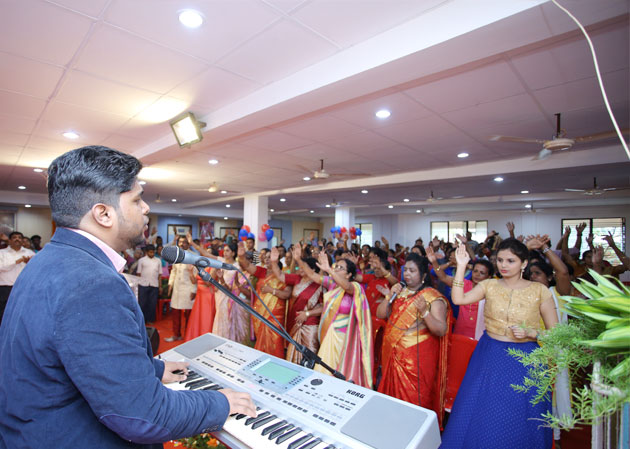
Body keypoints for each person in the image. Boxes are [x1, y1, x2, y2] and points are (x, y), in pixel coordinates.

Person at [0, 145, 255, 449]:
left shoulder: (49, 259)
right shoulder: (91, 283)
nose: (146, 208)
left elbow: (74, 357)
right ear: (103, 214)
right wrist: (219, 403)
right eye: (136, 199)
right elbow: (143, 416)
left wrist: (155, 370)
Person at [441, 238, 558, 448]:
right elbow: (458, 300)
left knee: (518, 414)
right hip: (490, 354)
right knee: (483, 409)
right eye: (501, 260)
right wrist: (460, 266)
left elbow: (558, 334)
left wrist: (531, 332)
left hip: (526, 359)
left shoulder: (540, 291)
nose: (504, 265)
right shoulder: (489, 285)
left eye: (511, 261)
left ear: (524, 264)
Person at [376, 253, 450, 426]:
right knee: (391, 403)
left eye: (412, 271)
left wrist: (424, 312)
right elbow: (380, 314)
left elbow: (440, 330)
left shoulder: (432, 297)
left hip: (415, 361)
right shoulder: (399, 292)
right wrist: (389, 296)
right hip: (394, 354)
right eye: (405, 270)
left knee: (413, 402)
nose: (407, 274)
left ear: (423, 275)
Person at [294, 244, 373, 388]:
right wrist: (298, 259)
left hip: (345, 340)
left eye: (340, 268)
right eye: (335, 266)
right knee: (324, 372)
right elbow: (312, 275)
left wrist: (329, 269)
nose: (336, 269)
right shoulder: (332, 284)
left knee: (341, 374)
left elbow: (347, 287)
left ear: (349, 275)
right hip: (329, 335)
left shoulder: (355, 287)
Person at [269, 247, 323, 365]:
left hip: (309, 325)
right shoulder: (297, 279)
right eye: (299, 267)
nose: (300, 269)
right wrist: (273, 261)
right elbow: (279, 275)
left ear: (313, 269)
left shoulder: (320, 284)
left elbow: (324, 307)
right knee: (292, 355)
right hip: (294, 321)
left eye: (303, 267)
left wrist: (307, 314)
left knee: (309, 356)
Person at [426, 245, 493, 339]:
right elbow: (443, 277)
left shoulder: (491, 291)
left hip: (480, 334)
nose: (477, 275)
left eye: (482, 273)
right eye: (475, 271)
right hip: (461, 332)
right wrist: (434, 262)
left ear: (489, 277)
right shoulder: (463, 284)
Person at [238, 244, 290, 358]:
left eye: (269, 257)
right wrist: (241, 256)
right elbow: (247, 265)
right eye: (266, 257)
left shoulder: (283, 276)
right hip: (260, 314)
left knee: (275, 344)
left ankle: (276, 366)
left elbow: (287, 294)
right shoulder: (261, 272)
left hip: (275, 317)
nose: (267, 259)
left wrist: (271, 290)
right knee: (260, 343)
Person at [211, 243, 250, 345]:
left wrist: (221, 279)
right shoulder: (222, 263)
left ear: (233, 253)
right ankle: (218, 341)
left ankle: (225, 343)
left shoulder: (237, 267)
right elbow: (206, 254)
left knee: (225, 319)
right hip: (219, 293)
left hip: (229, 297)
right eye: (224, 250)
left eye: (228, 250)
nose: (225, 253)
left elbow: (231, 289)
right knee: (219, 317)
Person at [166, 235, 197, 342]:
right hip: (177, 288)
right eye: (180, 242)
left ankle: (188, 336)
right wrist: (170, 284)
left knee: (188, 314)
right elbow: (173, 271)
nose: (181, 244)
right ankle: (176, 335)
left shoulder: (193, 256)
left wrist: (194, 290)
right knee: (175, 312)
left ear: (188, 244)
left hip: (188, 288)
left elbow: (196, 274)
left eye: (184, 242)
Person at [0, 231, 35, 325]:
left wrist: (29, 263)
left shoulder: (29, 253)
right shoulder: (2, 253)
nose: (17, 239)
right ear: (10, 240)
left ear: (22, 241)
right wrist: (16, 262)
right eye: (14, 237)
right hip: (5, 288)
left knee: (22, 313)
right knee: (3, 314)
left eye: (19, 237)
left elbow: (36, 270)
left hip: (23, 288)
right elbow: (1, 268)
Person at [136, 244, 162, 324]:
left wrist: (160, 286)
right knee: (142, 303)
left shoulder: (158, 260)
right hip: (143, 284)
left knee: (152, 303)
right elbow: (138, 273)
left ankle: (150, 320)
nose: (152, 254)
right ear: (147, 252)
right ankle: (142, 320)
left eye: (153, 252)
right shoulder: (142, 260)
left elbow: (160, 274)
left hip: (154, 284)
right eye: (150, 252)